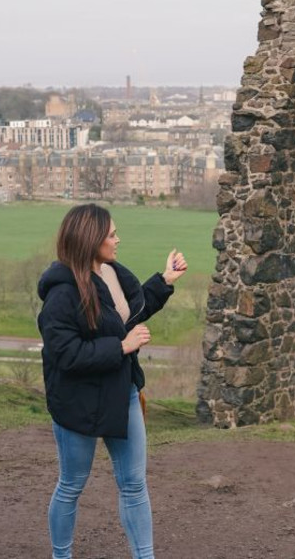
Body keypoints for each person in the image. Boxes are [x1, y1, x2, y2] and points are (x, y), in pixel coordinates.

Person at [37, 203, 187, 559]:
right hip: (78, 404)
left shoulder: (114, 274)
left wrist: (164, 280)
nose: (118, 239)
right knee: (71, 485)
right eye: (111, 234)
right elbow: (67, 355)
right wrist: (121, 346)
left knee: (134, 485)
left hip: (124, 394)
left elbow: (132, 312)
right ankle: (61, 556)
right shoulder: (61, 294)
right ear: (91, 240)